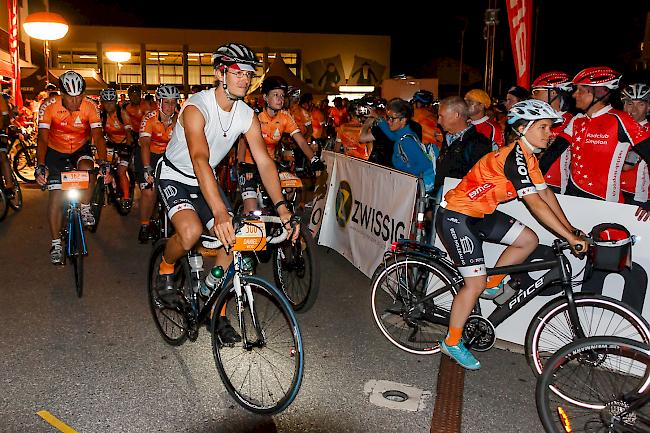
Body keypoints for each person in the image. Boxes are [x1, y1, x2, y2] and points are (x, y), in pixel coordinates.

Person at [155, 43, 300, 341]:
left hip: (206, 179)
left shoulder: (247, 114)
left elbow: (263, 162)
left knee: (236, 242)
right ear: (220, 73)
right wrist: (220, 212)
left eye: (249, 74)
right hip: (177, 175)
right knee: (192, 232)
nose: (245, 80)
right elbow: (199, 159)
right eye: (238, 73)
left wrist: (283, 209)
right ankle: (166, 267)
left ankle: (215, 309)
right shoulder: (197, 107)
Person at [435, 100, 588, 370]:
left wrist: (571, 229)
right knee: (474, 284)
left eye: (550, 127)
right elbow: (536, 204)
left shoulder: (528, 157)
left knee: (528, 240)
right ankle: (453, 341)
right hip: (456, 216)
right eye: (542, 127)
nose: (549, 133)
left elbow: (546, 194)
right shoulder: (514, 157)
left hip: (480, 213)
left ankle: (493, 283)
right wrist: (569, 236)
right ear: (522, 129)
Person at [539, 67, 650, 211]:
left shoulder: (620, 119)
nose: (574, 95)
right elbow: (553, 153)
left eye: (580, 90)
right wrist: (533, 181)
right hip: (572, 197)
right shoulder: (577, 120)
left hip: (604, 202)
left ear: (598, 93)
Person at [35, 71, 111, 264]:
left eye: (80, 96)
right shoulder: (48, 107)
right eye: (71, 96)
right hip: (55, 151)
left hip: (79, 148)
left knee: (89, 170)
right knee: (56, 196)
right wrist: (40, 165)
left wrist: (103, 161)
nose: (76, 101)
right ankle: (56, 244)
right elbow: (42, 138)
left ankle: (85, 207)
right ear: (62, 94)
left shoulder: (90, 106)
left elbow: (98, 136)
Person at [237, 76, 324, 214]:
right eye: (275, 95)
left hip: (269, 164)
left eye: (282, 95)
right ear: (265, 97)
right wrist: (242, 164)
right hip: (249, 164)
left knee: (290, 188)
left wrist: (314, 159)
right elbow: (243, 141)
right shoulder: (255, 115)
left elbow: (300, 140)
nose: (280, 99)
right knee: (252, 210)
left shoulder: (285, 117)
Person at [360, 98, 436, 192]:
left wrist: (403, 176)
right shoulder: (403, 134)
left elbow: (425, 165)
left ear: (403, 120)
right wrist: (378, 117)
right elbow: (391, 135)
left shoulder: (407, 141)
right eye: (388, 117)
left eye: (392, 119)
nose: (389, 121)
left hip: (409, 189)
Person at [137, 84, 180, 243]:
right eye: (166, 102)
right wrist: (147, 168)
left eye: (173, 102)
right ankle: (144, 224)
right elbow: (145, 143)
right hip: (149, 154)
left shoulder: (180, 118)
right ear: (159, 102)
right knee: (149, 192)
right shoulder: (149, 118)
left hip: (170, 156)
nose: (170, 106)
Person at [434, 96, 492, 195]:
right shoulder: (448, 139)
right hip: (442, 200)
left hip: (460, 203)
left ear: (456, 115)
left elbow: (481, 180)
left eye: (441, 116)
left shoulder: (478, 142)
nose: (438, 121)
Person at [530, 71, 575, 194]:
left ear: (553, 93)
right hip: (531, 182)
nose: (533, 96)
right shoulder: (533, 119)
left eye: (536, 92)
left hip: (558, 188)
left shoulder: (572, 121)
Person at [99, 87, 133, 210]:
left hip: (125, 143)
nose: (109, 105)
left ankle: (126, 197)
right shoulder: (101, 115)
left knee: (121, 171)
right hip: (111, 143)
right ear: (102, 103)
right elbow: (97, 133)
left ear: (115, 102)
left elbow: (129, 132)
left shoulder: (121, 113)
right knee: (105, 165)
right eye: (106, 102)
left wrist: (128, 148)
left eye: (111, 102)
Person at [620, 83, 650, 216]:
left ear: (648, 107)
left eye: (641, 104)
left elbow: (626, 166)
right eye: (630, 104)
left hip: (641, 200)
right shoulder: (615, 128)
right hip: (614, 194)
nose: (634, 110)